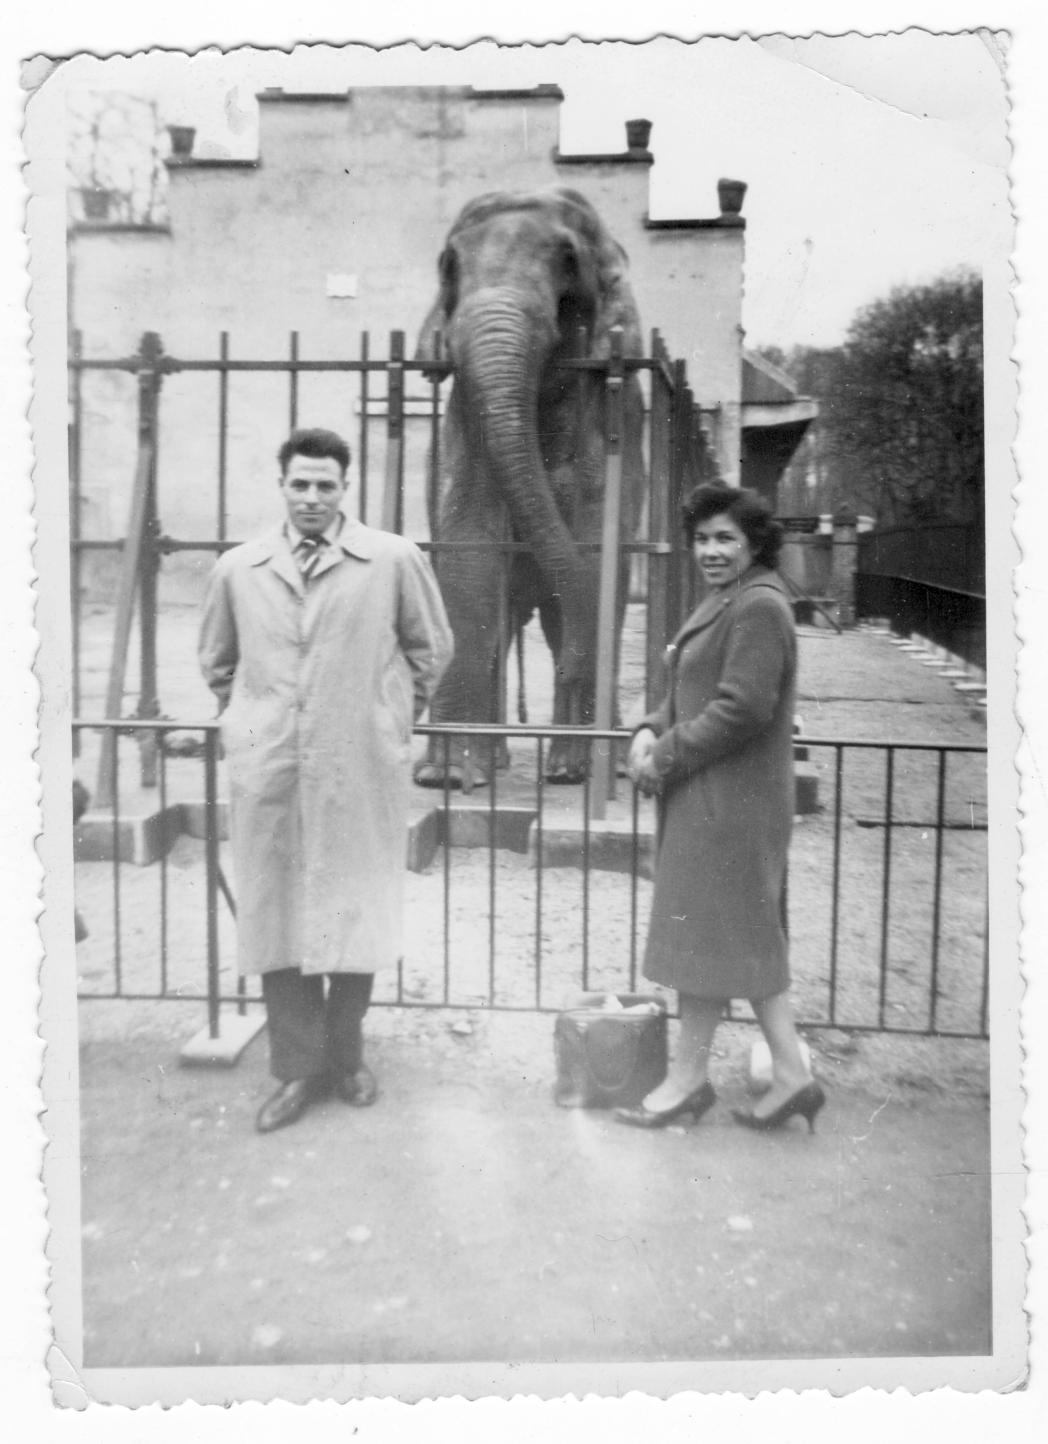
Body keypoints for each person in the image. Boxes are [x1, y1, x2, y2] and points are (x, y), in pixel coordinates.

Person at [199, 428, 453, 1133]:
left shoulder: (392, 560)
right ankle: (295, 1071)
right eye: (300, 484)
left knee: (355, 908)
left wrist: (385, 721)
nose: (312, 497)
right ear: (281, 486)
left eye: (326, 485)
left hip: (357, 764)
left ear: (346, 488)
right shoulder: (239, 569)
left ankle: (346, 1057)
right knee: (278, 915)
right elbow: (221, 669)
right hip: (270, 767)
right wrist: (251, 734)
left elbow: (431, 649)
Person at [616, 483, 825, 1133]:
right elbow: (689, 688)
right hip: (716, 800)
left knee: (708, 940)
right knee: (736, 939)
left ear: (755, 543)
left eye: (725, 538)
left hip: (729, 807)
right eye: (703, 538)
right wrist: (648, 727)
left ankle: (686, 1082)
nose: (710, 550)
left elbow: (743, 707)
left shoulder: (760, 606)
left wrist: (665, 753)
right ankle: (790, 1076)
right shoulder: (730, 598)